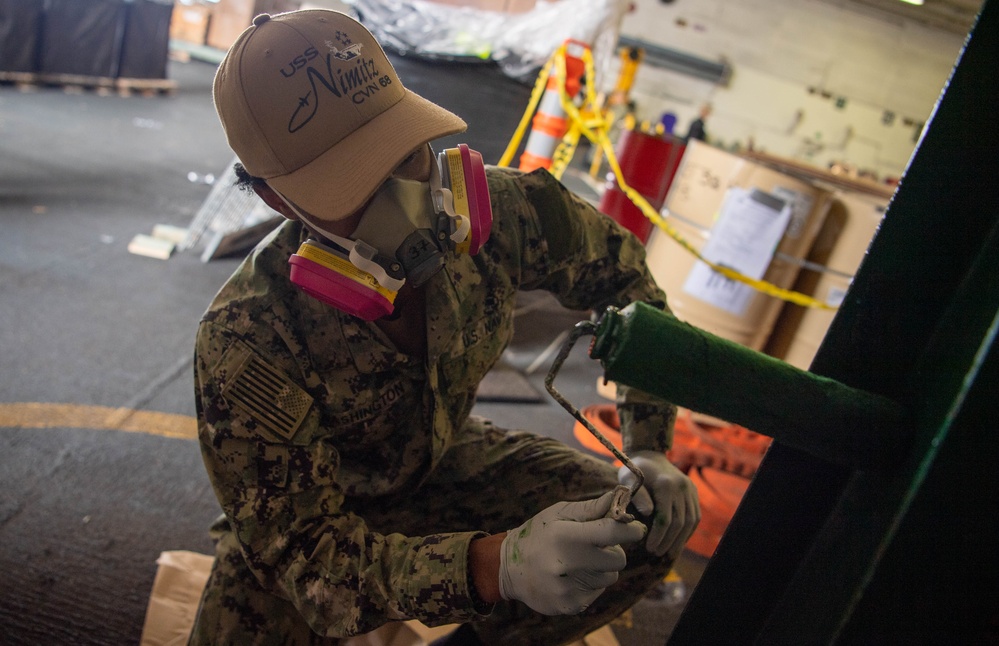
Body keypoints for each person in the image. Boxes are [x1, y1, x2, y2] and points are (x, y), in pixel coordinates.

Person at [190, 9, 699, 645]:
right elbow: (302, 556)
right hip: (315, 517)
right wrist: (495, 567)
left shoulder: (511, 213)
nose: (403, 204)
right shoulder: (248, 337)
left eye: (407, 158)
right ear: (278, 201)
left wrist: (648, 441)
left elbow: (626, 284)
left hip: (442, 463)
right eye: (354, 188)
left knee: (635, 531)